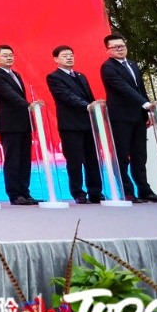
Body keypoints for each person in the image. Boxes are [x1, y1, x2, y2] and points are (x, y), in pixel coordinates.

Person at [98, 33, 157, 203]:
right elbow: (123, 88)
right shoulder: (108, 67)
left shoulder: (133, 65)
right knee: (122, 156)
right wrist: (144, 103)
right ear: (108, 50)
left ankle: (144, 189)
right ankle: (126, 191)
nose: (120, 49)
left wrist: (148, 111)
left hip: (138, 116)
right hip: (121, 117)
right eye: (115, 47)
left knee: (139, 155)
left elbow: (140, 89)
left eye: (122, 46)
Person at [45, 45, 104, 205]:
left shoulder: (80, 76)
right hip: (70, 125)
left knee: (92, 159)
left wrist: (94, 107)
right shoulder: (54, 77)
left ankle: (95, 192)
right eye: (65, 55)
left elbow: (90, 97)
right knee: (74, 161)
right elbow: (66, 96)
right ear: (56, 59)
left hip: (88, 123)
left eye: (71, 55)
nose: (69, 58)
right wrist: (87, 105)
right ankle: (78, 193)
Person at [0, 44, 38, 205]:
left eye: (11, 55)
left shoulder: (16, 74)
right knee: (13, 159)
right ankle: (15, 194)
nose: (9, 57)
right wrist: (28, 105)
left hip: (23, 122)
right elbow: (10, 95)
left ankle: (25, 192)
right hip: (9, 124)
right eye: (5, 55)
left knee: (24, 160)